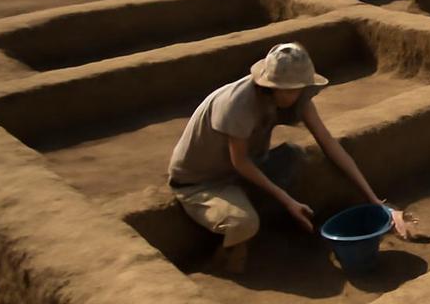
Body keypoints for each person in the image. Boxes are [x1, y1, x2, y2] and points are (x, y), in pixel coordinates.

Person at [167, 42, 417, 273]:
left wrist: (376, 202)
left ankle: (269, 217)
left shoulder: (296, 97)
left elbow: (329, 144)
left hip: (241, 171)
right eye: (292, 89)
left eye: (301, 88)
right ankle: (226, 253)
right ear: (272, 86)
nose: (299, 93)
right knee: (244, 224)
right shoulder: (237, 104)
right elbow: (239, 161)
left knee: (295, 159)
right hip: (201, 181)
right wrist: (288, 201)